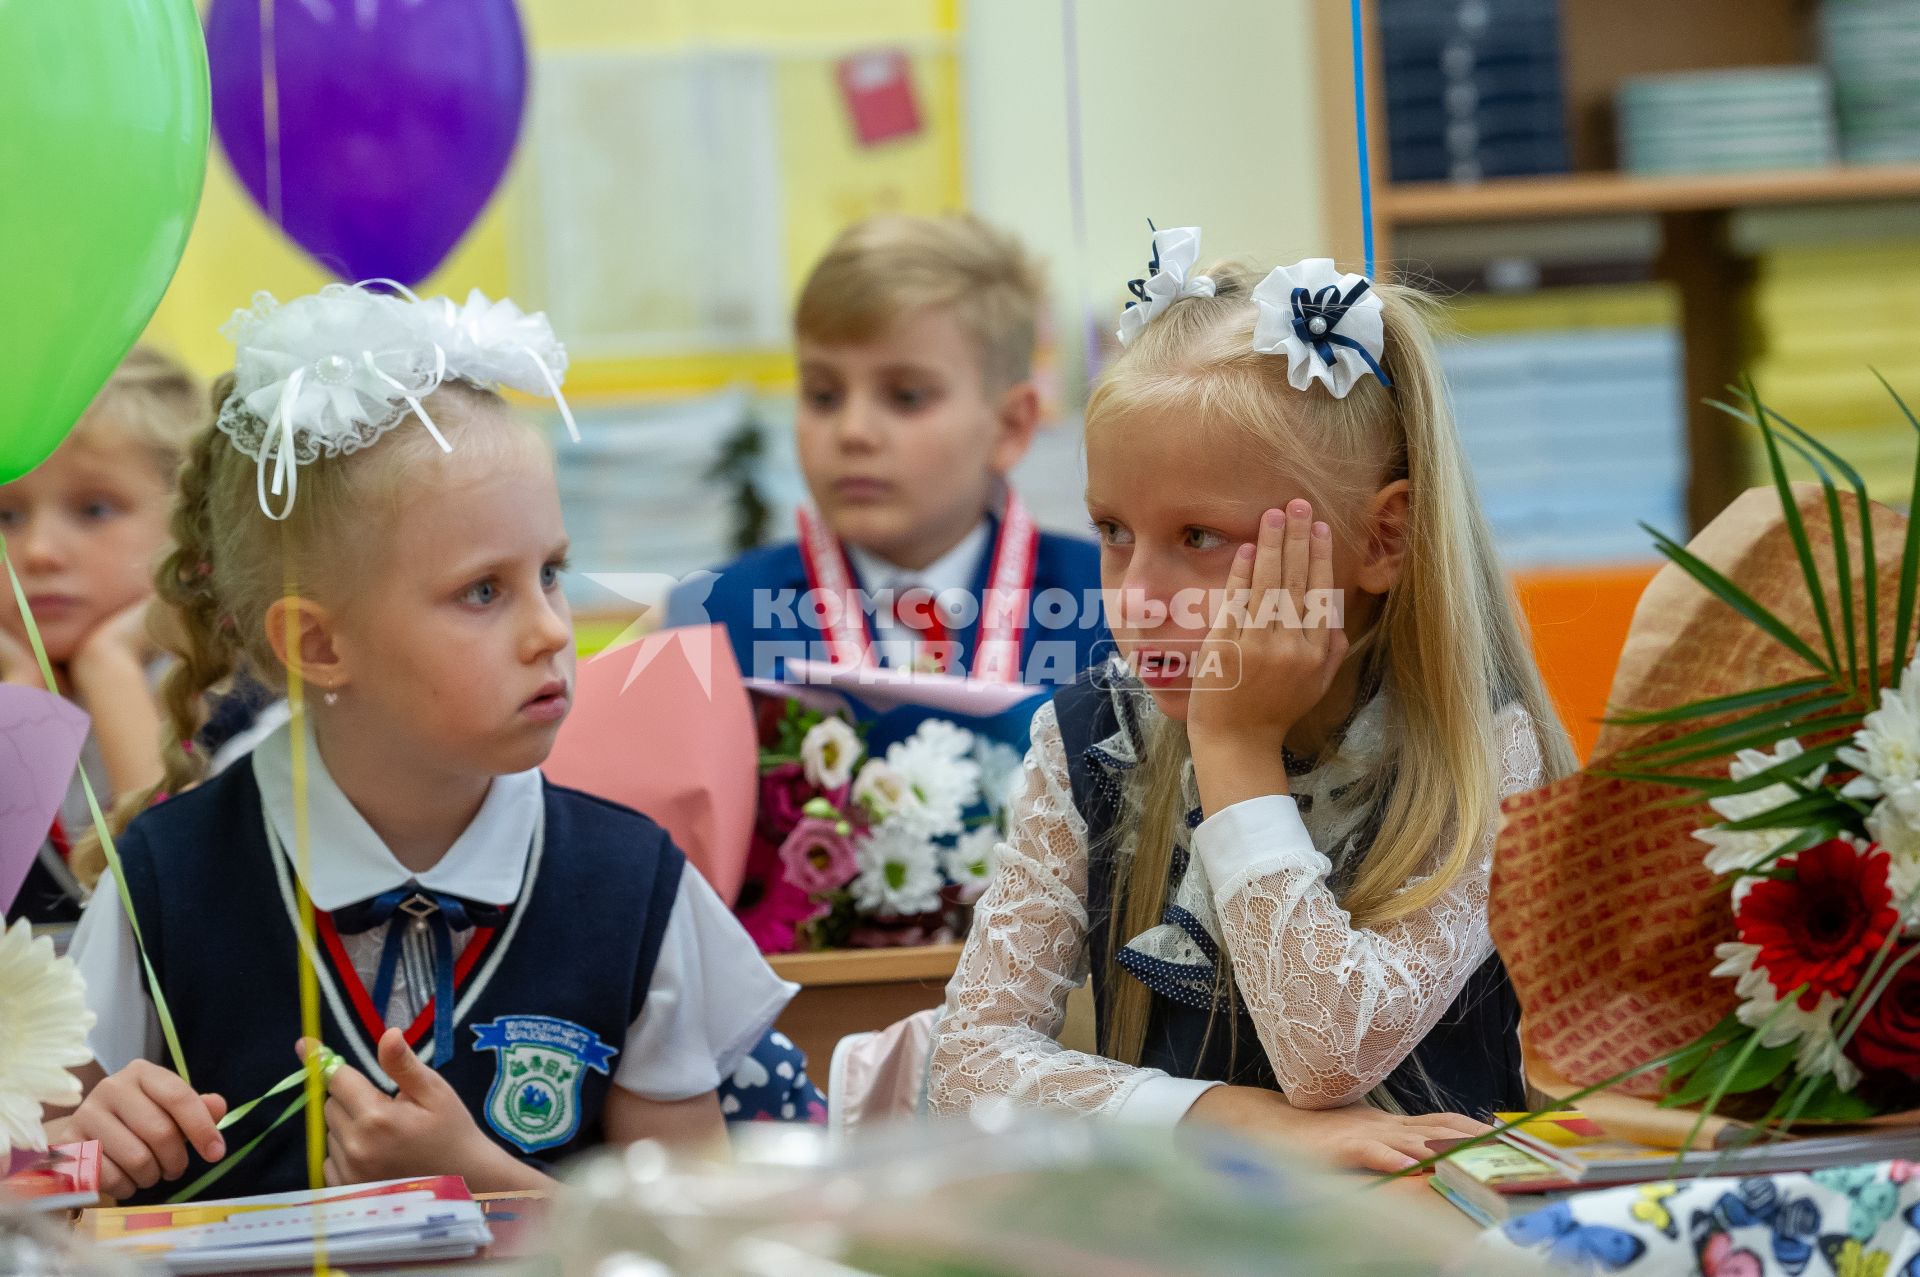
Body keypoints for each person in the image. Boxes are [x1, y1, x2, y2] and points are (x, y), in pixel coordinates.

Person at [47, 285, 795, 1202]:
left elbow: (699, 1243)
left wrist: (480, 1177)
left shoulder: (636, 885)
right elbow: (41, 1184)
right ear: (319, 643)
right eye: (484, 591)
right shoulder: (162, 882)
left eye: (551, 573)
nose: (552, 630)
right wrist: (84, 1148)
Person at [929, 228, 1578, 1172]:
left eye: (1200, 535)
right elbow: (966, 1064)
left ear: (1382, 538)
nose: (1137, 597)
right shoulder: (1086, 737)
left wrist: (1235, 748)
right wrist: (1228, 1116)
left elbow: (1331, 1051)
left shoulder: (1485, 751)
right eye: (1113, 530)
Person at [667, 214, 1107, 693]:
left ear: (1009, 427)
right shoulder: (713, 617)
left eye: (907, 396)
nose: (853, 432)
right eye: (822, 396)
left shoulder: (1108, 608)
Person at [1, 348, 206, 925]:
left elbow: (191, 908)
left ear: (190, 526)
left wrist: (110, 668)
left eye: (94, 509)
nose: (39, 552)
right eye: (5, 517)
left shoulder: (252, 713)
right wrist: (22, 692)